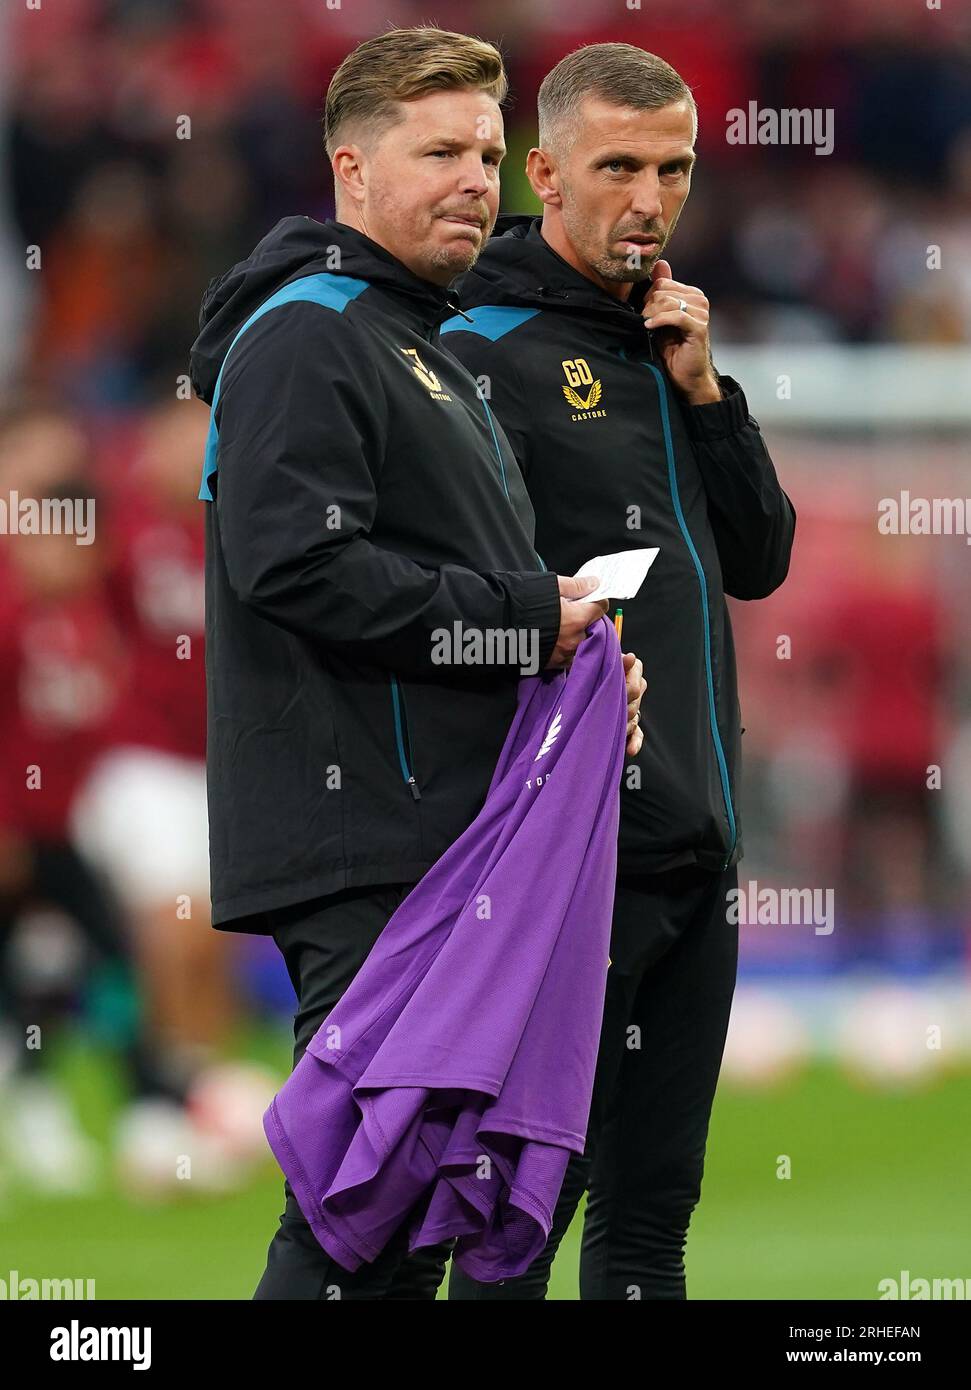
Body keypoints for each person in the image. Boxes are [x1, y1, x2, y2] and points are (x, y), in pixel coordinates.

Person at [187, 27, 646, 1300]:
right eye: (438, 149)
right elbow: (296, 566)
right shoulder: (308, 334)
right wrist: (520, 619)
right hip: (370, 839)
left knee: (415, 1206)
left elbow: (448, 596)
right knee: (363, 1209)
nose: (474, 181)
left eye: (490, 153)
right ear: (348, 168)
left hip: (445, 836)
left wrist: (570, 663)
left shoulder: (416, 344)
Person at [438, 42, 796, 1299]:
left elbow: (759, 561)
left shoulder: (667, 341)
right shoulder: (475, 344)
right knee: (519, 1222)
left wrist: (708, 392)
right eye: (617, 168)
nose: (649, 200)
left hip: (699, 840)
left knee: (650, 1227)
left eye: (674, 168)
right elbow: (458, 604)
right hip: (568, 858)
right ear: (541, 171)